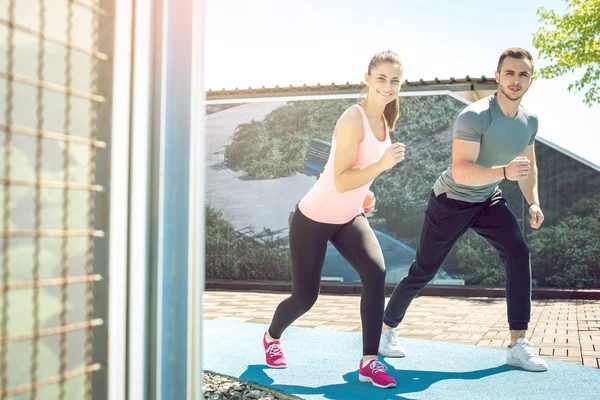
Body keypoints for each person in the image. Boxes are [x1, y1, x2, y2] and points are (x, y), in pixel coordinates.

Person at [378, 47, 549, 372]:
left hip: (487, 199)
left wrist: (534, 201)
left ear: (530, 79)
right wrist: (503, 173)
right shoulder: (475, 116)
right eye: (509, 73)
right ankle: (386, 330)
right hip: (451, 200)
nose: (516, 80)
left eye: (523, 74)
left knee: (518, 252)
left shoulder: (530, 121)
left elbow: (528, 165)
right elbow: (461, 171)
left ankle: (517, 343)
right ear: (498, 76)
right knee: (424, 270)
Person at [263, 50, 406, 389]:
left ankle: (369, 361)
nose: (388, 86)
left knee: (375, 272)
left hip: (348, 216)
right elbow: (340, 179)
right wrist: (382, 166)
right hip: (313, 217)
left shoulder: (385, 121)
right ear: (368, 79)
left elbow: (357, 177)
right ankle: (271, 337)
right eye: (382, 79)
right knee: (305, 299)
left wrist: (366, 191)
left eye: (395, 81)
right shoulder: (352, 118)